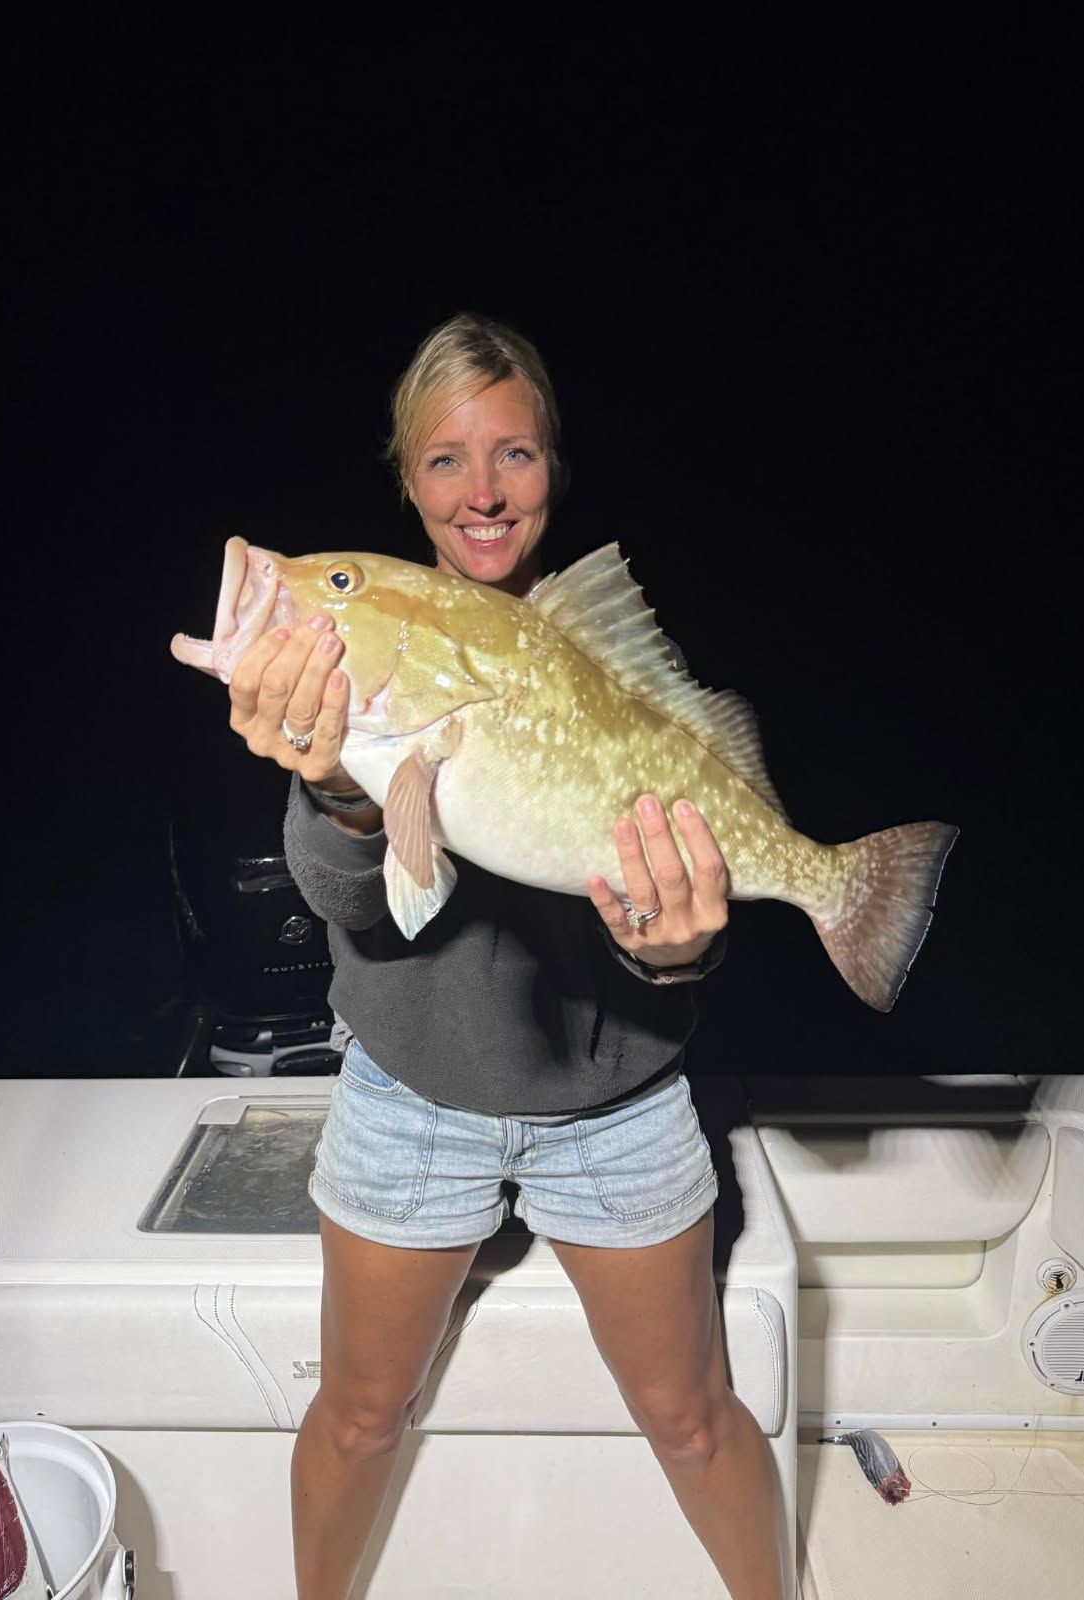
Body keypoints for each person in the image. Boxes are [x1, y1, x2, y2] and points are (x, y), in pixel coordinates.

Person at [226, 314, 786, 1599]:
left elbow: (665, 926)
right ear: (406, 478)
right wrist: (351, 791)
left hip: (616, 1103)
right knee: (362, 1417)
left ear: (554, 468)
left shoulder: (590, 650)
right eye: (444, 463)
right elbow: (354, 905)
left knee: (693, 1417)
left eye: (516, 454)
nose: (482, 492)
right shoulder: (387, 655)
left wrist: (680, 954)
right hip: (410, 1094)